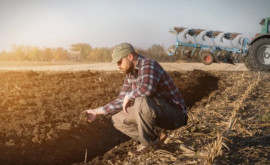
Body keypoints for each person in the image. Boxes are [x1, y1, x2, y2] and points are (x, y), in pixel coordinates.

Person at [83, 43, 188, 150]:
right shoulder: (130, 74)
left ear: (130, 56)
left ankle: (150, 146)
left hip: (176, 116)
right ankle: (156, 138)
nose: (118, 65)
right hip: (158, 113)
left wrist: (129, 96)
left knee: (141, 101)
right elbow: (121, 100)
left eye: (119, 62)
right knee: (118, 119)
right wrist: (96, 111)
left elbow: (147, 89)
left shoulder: (149, 64)